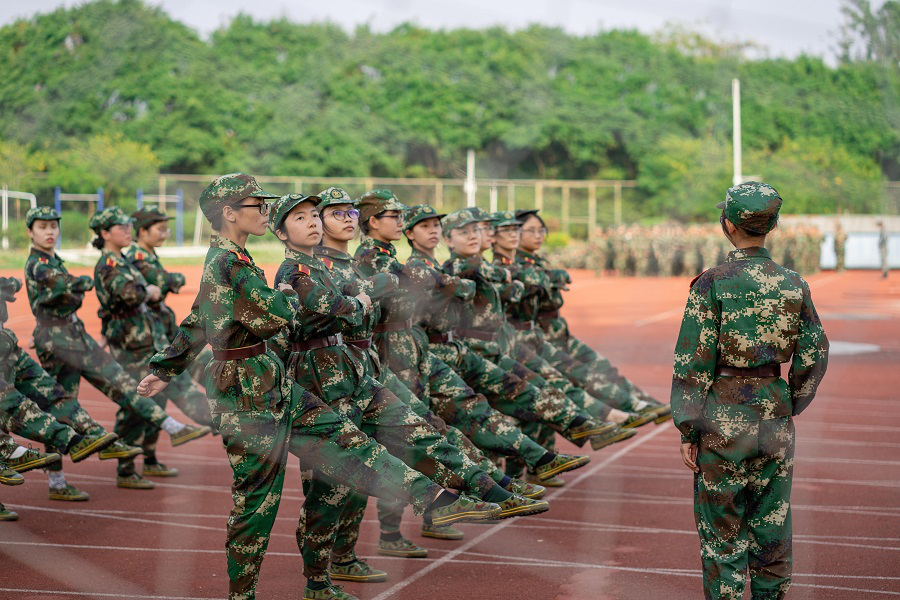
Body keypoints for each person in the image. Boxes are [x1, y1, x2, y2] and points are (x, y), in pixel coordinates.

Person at [137, 173, 501, 600]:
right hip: (245, 396)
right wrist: (290, 294)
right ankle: (241, 596)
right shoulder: (228, 263)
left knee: (347, 439)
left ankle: (436, 500)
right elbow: (276, 314)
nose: (263, 210)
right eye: (256, 205)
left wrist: (165, 367)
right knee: (257, 501)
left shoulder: (234, 259)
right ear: (228, 214)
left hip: (270, 380)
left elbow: (199, 316)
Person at [313, 189, 545, 556]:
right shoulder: (344, 263)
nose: (348, 219)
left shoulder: (360, 262)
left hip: (378, 362)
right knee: (357, 472)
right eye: (336, 214)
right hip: (366, 365)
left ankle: (487, 485)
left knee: (425, 433)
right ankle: (354, 553)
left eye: (350, 213)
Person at [671, 182, 829, 600]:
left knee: (722, 530)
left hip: (721, 416)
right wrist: (790, 401)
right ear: (772, 224)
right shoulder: (793, 282)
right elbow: (814, 353)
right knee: (772, 525)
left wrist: (688, 429)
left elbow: (692, 361)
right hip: (774, 412)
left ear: (727, 224)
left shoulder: (711, 283)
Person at [24, 207, 209, 490]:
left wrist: (75, 291)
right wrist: (142, 290)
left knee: (121, 386)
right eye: (42, 227)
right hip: (71, 343)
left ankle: (170, 428)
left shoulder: (60, 260)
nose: (50, 232)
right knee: (60, 407)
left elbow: (72, 296)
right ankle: (58, 481)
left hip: (80, 335)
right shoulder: (41, 263)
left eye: (53, 226)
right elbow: (75, 287)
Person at [90, 206, 214, 488]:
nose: (127, 231)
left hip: (145, 338)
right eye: (120, 227)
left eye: (126, 225)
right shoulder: (109, 264)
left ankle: (148, 456)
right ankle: (125, 467)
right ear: (105, 233)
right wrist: (149, 290)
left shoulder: (122, 260)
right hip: (130, 343)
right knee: (136, 404)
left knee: (153, 397)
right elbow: (130, 293)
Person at [128, 205, 214, 385]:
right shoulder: (136, 256)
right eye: (160, 229)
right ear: (142, 231)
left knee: (200, 359)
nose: (164, 234)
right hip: (147, 329)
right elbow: (163, 280)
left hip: (162, 322)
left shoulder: (149, 254)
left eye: (166, 229)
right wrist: (173, 279)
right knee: (174, 379)